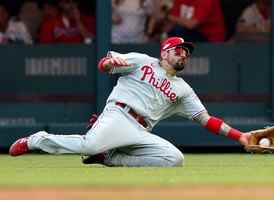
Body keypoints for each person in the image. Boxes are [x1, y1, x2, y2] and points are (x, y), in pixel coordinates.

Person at [9, 36, 251, 167]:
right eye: (179, 50)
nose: (184, 54)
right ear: (165, 52)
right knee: (89, 146)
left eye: (187, 52)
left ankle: (111, 158)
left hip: (141, 130)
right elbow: (103, 65)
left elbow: (207, 120)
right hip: (119, 114)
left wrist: (240, 136)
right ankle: (36, 140)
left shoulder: (184, 90)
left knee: (174, 159)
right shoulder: (142, 60)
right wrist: (109, 64)